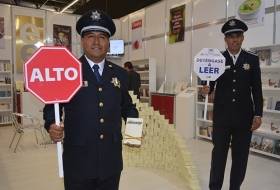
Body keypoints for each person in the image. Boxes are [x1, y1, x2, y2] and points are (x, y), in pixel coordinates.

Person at [43, 9, 139, 190]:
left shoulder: (119, 73)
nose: (96, 41)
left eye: (102, 37)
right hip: (78, 160)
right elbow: (51, 107)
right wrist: (51, 125)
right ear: (82, 41)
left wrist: (134, 129)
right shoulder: (67, 70)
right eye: (90, 36)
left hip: (110, 160)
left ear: (108, 43)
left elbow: (128, 106)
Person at [201, 19, 263, 190]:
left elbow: (257, 90)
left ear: (242, 38)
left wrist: (258, 114)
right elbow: (208, 85)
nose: (235, 39)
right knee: (219, 157)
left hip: (245, 118)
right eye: (231, 36)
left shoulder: (251, 59)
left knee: (240, 157)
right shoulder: (216, 59)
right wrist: (204, 90)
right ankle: (215, 187)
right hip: (221, 117)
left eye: (238, 36)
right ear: (225, 39)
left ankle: (235, 187)